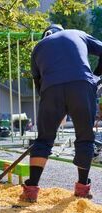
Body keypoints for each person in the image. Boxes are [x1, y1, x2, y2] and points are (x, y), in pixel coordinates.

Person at [20, 24, 102, 202]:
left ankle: (31, 190)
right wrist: (95, 77)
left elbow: (40, 86)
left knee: (43, 140)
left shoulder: (38, 48)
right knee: (85, 138)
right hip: (82, 84)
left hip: (51, 90)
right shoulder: (76, 33)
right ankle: (82, 188)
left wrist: (57, 112)